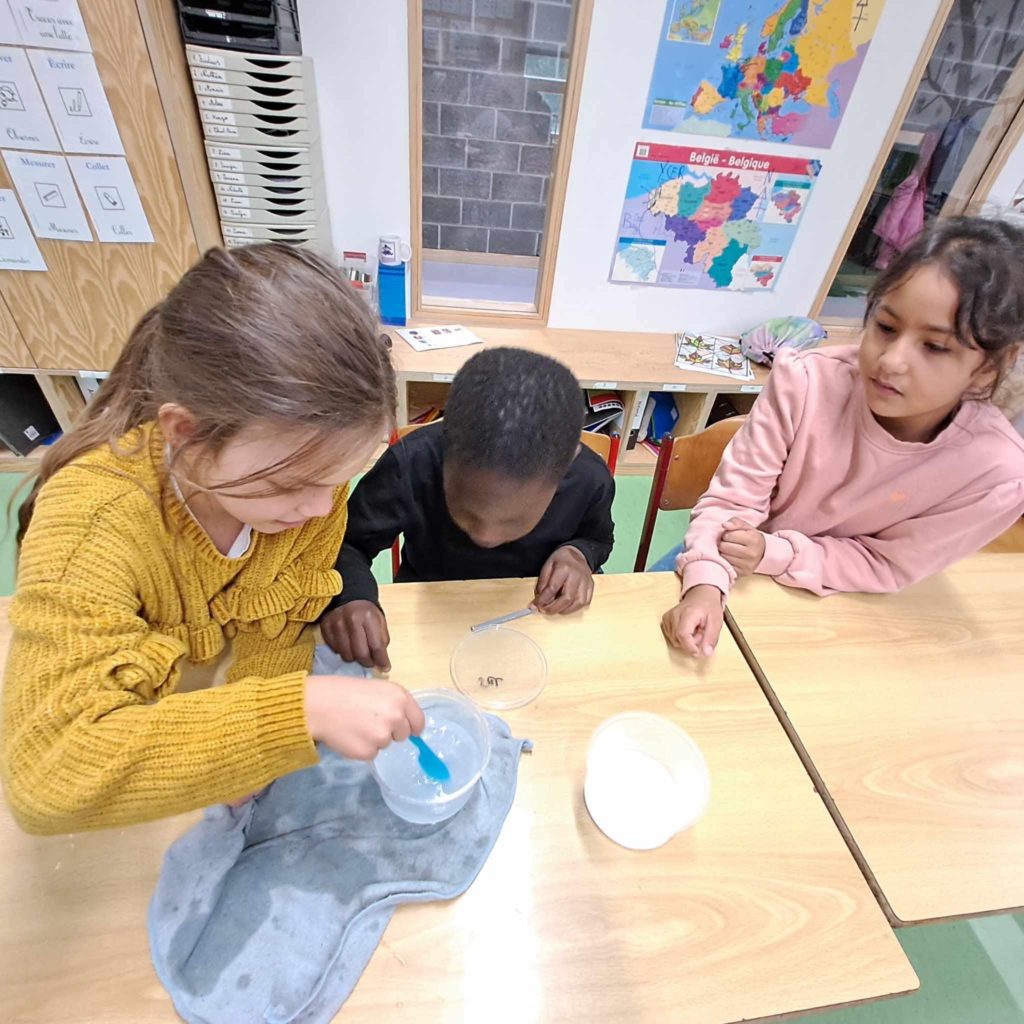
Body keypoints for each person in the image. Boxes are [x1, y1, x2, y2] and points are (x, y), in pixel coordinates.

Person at [2, 244, 424, 835]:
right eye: (290, 484)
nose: (322, 508)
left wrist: (248, 750)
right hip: (139, 738)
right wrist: (293, 714)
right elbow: (49, 775)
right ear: (186, 432)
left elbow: (278, 626)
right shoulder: (96, 517)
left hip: (197, 716)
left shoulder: (309, 498)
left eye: (337, 480)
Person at [662, 216, 1024, 657]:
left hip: (839, 602)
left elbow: (887, 565)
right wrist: (706, 584)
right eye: (886, 327)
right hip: (728, 560)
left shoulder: (996, 476)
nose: (891, 361)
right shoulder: (804, 383)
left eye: (934, 347)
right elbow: (732, 503)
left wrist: (775, 553)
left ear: (989, 366)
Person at [321, 347, 615, 670]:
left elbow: (598, 539)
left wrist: (578, 554)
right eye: (467, 513)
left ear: (563, 470)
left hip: (531, 623)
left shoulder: (590, 480)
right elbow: (346, 541)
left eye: (514, 521)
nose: (485, 537)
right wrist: (354, 594)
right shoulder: (411, 463)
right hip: (428, 618)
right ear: (445, 452)